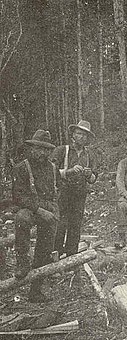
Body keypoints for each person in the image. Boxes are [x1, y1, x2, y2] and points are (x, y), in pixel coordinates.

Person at [12, 130, 60, 302]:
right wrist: (39, 210)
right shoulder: (21, 168)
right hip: (32, 208)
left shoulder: (53, 168)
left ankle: (36, 290)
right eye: (39, 149)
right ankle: (22, 261)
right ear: (32, 148)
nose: (42, 153)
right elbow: (18, 196)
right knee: (22, 218)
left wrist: (53, 210)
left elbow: (58, 189)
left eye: (46, 150)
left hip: (49, 209)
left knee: (45, 249)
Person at [52, 120, 97, 257]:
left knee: (75, 226)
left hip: (80, 194)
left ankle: (71, 259)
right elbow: (50, 172)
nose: (82, 137)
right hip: (63, 193)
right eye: (79, 134)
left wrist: (90, 175)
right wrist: (69, 171)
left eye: (85, 135)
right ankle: (55, 257)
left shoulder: (89, 155)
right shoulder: (62, 150)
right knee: (60, 225)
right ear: (73, 135)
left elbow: (94, 178)